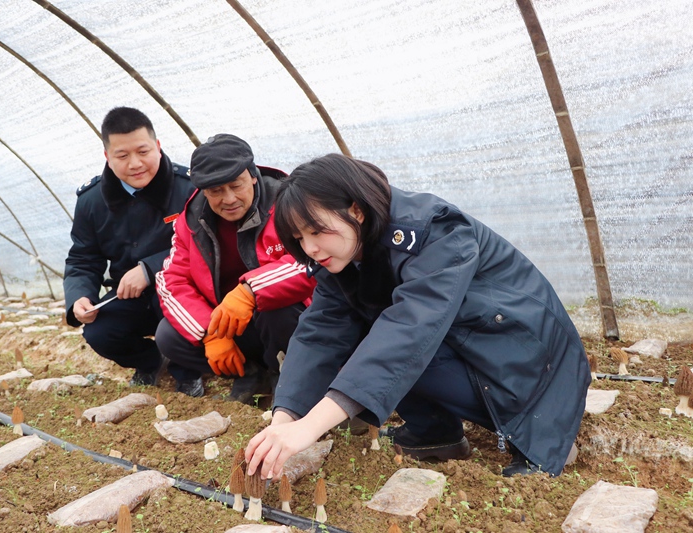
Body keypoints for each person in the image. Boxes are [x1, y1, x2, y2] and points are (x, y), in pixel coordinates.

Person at [245, 154, 590, 479]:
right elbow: (319, 334)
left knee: (389, 338)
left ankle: (544, 433)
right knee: (364, 326)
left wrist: (311, 426)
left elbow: (410, 331)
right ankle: (435, 433)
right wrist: (285, 418)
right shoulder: (346, 255)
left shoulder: (435, 232)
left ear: (356, 210)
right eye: (299, 238)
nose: (310, 249)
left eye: (317, 231)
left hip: (526, 357)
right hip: (471, 345)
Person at [155, 134, 316, 402]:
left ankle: (285, 376)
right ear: (204, 190)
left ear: (253, 175)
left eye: (235, 185)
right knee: (169, 336)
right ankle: (248, 375)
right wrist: (210, 333)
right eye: (216, 191)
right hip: (232, 322)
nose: (228, 198)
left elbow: (312, 262)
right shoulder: (190, 221)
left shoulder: (288, 203)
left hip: (286, 319)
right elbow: (171, 281)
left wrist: (250, 291)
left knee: (279, 311)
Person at [63, 107, 195, 388]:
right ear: (108, 157)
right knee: (100, 332)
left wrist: (149, 269)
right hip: (128, 297)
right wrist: (80, 298)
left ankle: (189, 372)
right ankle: (151, 362)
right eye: (122, 156)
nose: (135, 163)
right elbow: (84, 258)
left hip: (180, 288)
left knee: (176, 318)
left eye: (143, 151)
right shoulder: (91, 201)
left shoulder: (189, 189)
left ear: (158, 147)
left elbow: (204, 247)